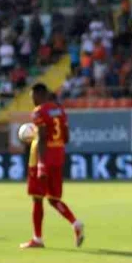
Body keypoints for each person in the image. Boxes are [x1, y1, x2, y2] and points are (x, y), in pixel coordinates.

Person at [19, 84, 84, 249]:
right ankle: (75, 223)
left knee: (37, 198)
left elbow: (41, 138)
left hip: (42, 158)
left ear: (41, 94)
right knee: (54, 198)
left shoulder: (39, 112)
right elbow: (67, 137)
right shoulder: (60, 111)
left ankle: (37, 239)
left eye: (33, 96)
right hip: (58, 156)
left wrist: (41, 164)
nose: (32, 100)